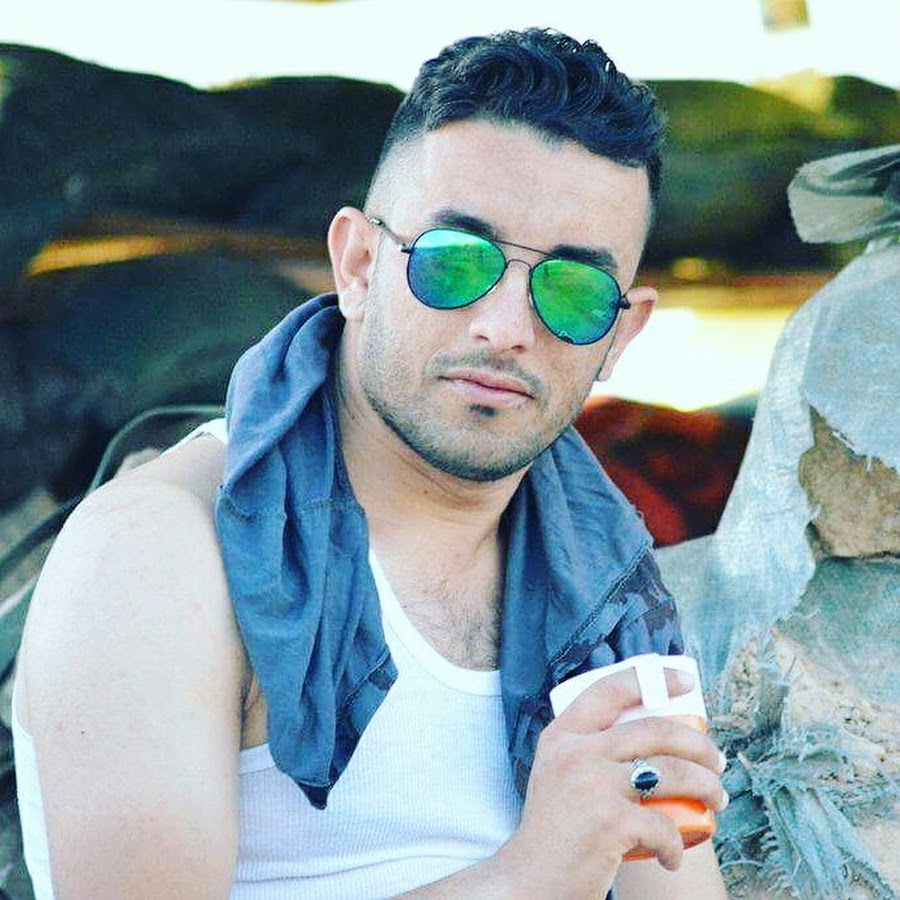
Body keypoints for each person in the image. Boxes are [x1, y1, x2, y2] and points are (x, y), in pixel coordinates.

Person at [12, 27, 729, 899]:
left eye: (573, 291)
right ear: (356, 265)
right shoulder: (163, 549)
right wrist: (531, 874)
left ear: (620, 334)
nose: (506, 327)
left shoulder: (606, 584)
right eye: (456, 261)